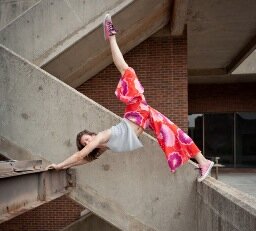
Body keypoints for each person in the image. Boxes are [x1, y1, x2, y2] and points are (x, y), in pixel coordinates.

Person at [47, 14, 214, 182]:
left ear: (92, 135)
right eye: (85, 143)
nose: (87, 142)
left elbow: (79, 155)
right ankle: (204, 162)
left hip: (137, 112)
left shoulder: (101, 137)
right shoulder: (104, 146)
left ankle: (111, 37)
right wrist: (65, 166)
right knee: (175, 134)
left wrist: (60, 165)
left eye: (87, 139)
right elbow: (85, 159)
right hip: (144, 118)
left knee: (126, 70)